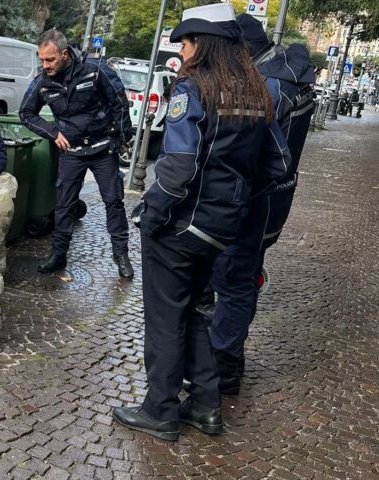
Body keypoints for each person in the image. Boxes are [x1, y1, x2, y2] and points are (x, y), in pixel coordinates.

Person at [112, 3, 291, 441]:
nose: (183, 52)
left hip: (180, 228)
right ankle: (206, 407)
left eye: (186, 42)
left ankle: (161, 410)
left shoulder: (193, 89)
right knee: (194, 313)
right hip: (221, 231)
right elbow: (279, 164)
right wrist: (233, 202)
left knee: (165, 319)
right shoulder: (257, 92)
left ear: (202, 44)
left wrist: (151, 214)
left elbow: (178, 165)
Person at [207, 14, 316, 396]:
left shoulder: (267, 85)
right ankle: (225, 351)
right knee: (244, 273)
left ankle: (224, 366)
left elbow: (252, 151)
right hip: (275, 199)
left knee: (233, 277)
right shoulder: (292, 75)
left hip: (254, 200)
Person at [20, 30, 134, 278]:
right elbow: (26, 113)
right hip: (71, 150)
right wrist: (52, 133)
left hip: (102, 148)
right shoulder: (43, 81)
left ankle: (121, 256)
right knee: (64, 205)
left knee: (113, 201)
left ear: (64, 53)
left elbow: (119, 102)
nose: (45, 65)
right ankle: (58, 256)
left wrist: (121, 138)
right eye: (41, 60)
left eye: (49, 60)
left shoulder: (94, 69)